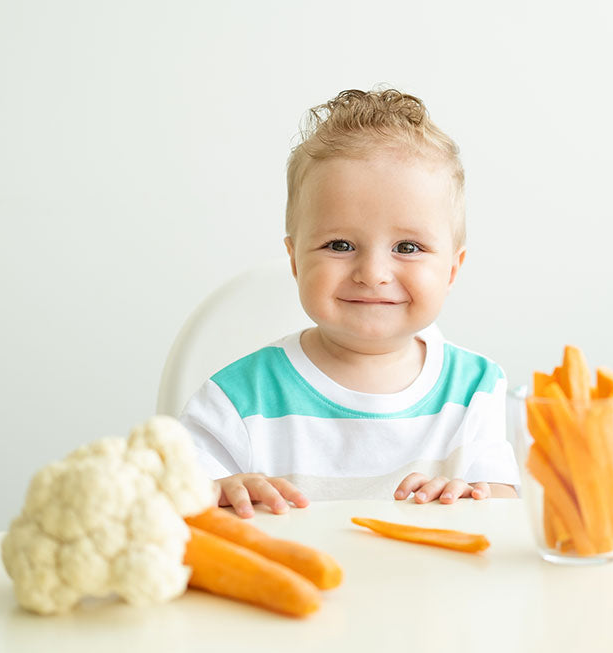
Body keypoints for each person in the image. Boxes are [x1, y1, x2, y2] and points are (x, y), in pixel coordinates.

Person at [180, 88, 519, 518]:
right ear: (295, 261)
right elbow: (174, 505)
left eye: (408, 247)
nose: (373, 272)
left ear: (452, 269)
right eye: (339, 244)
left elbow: (504, 515)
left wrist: (467, 498)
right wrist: (221, 492)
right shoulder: (237, 400)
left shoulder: (476, 388)